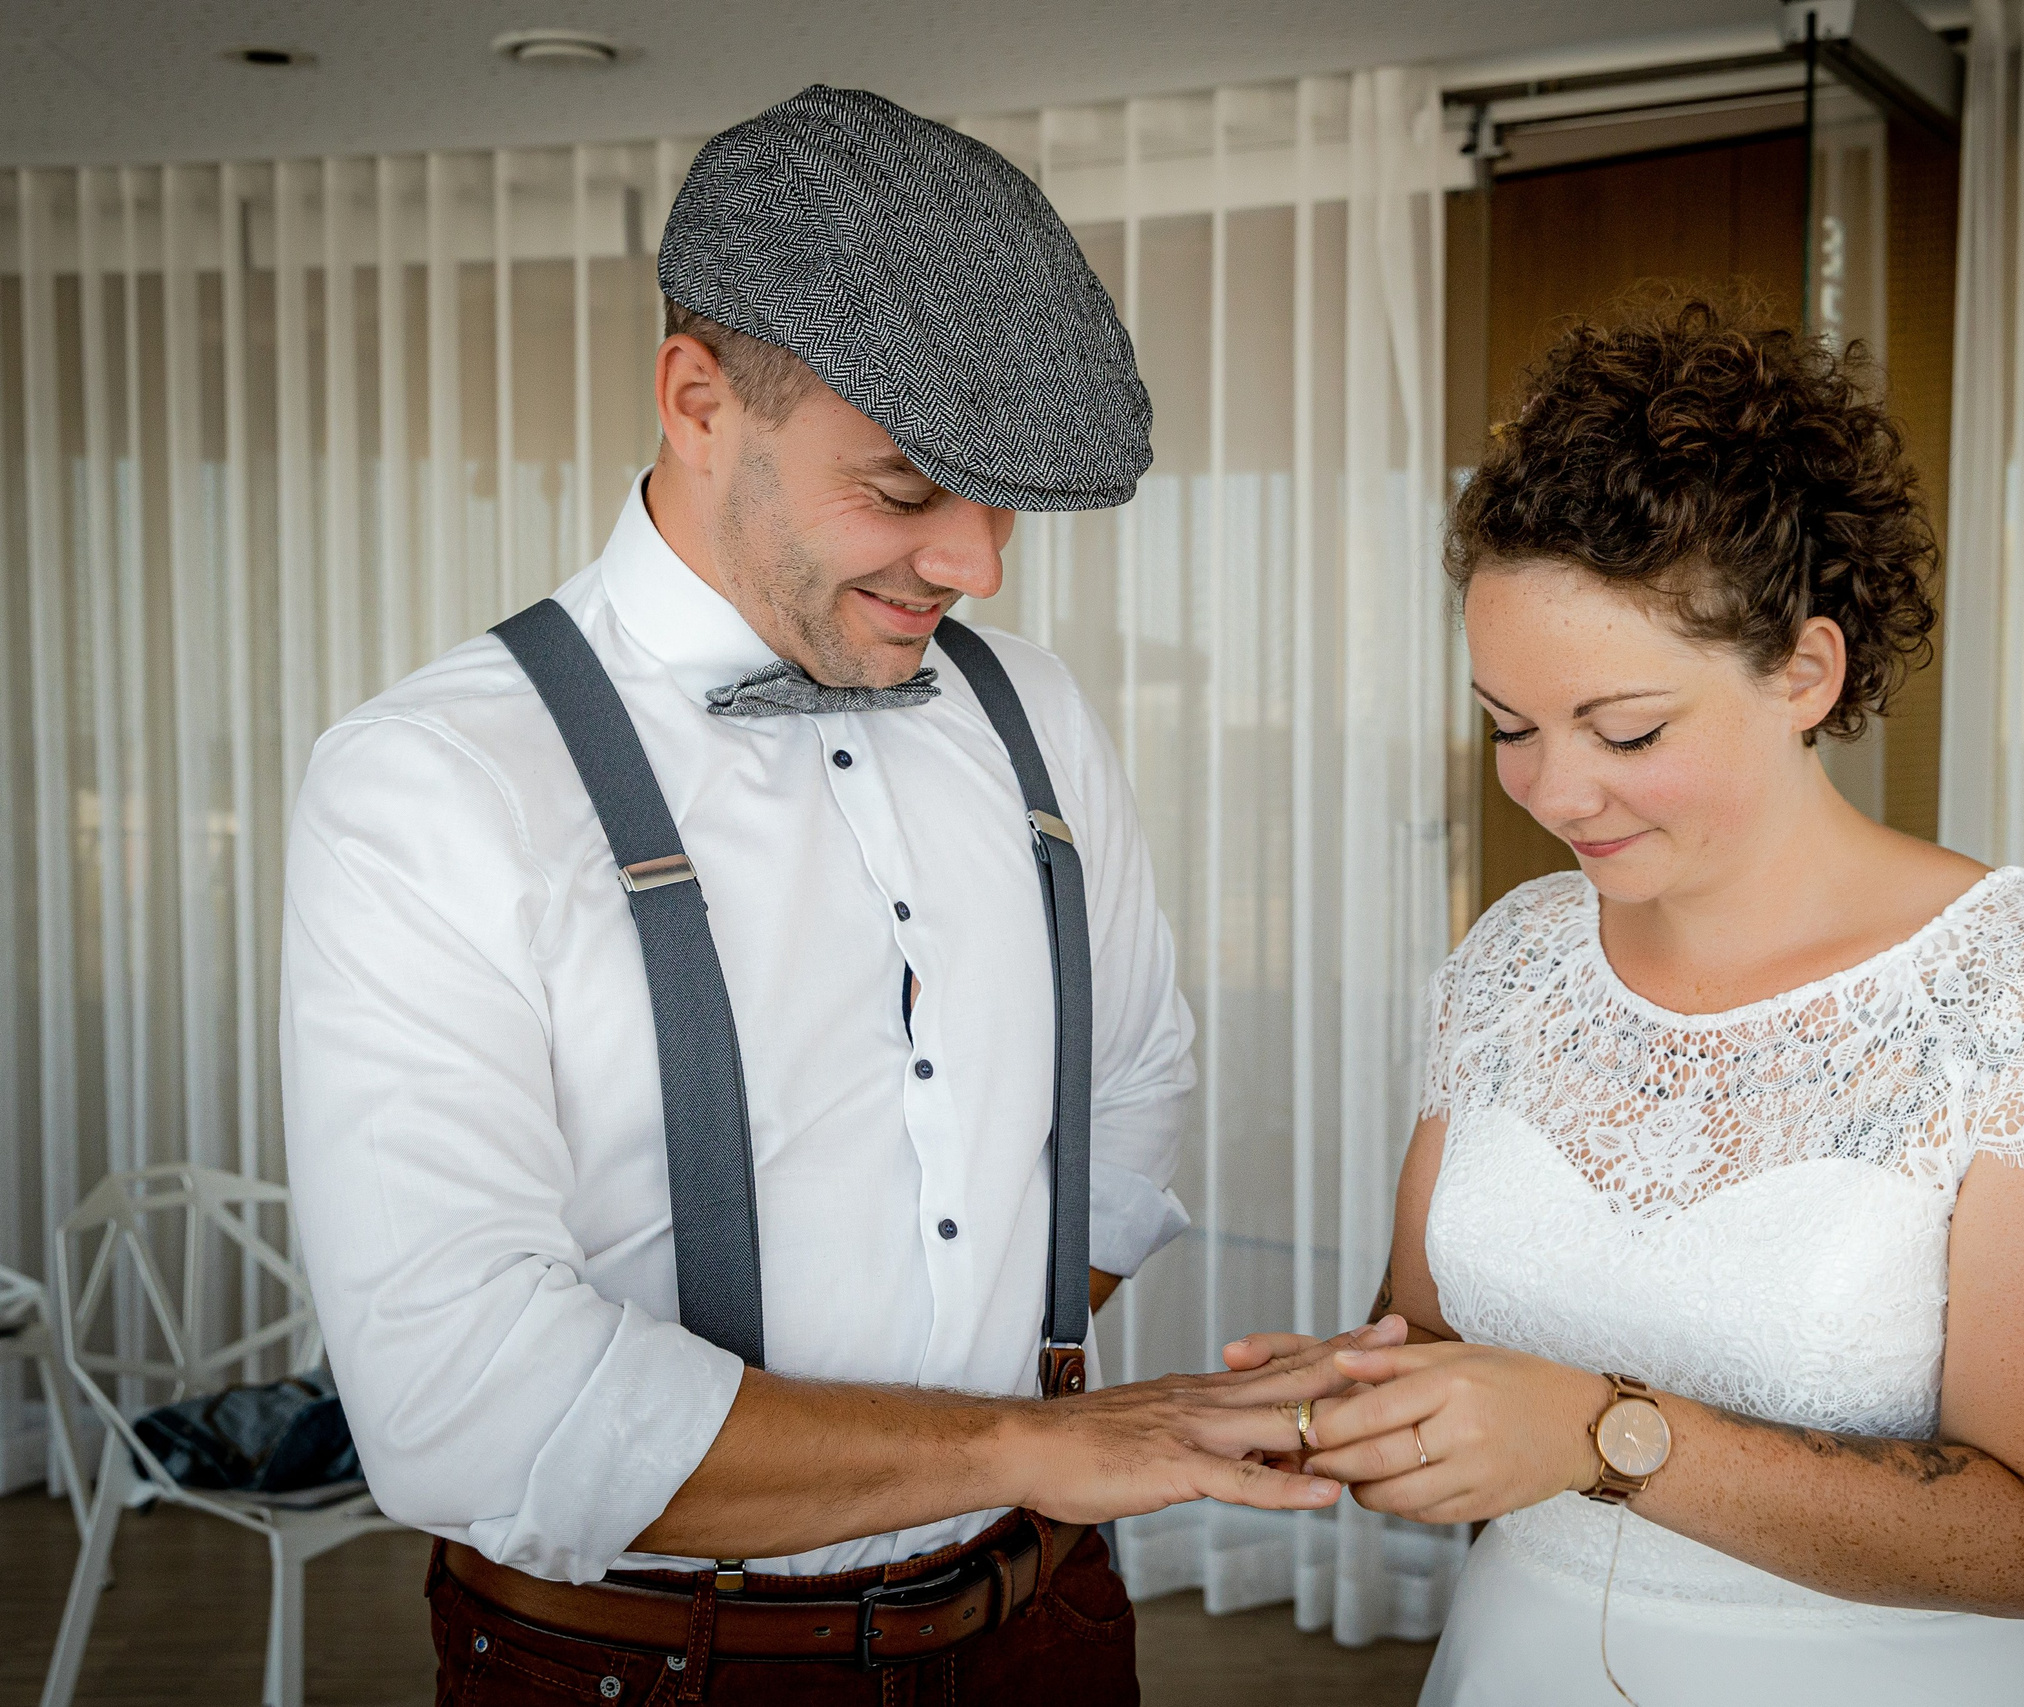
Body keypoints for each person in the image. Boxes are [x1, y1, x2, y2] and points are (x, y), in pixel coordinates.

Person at [281, 87, 1368, 1706]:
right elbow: (464, 1403)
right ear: (697, 398)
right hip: (647, 1666)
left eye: (1005, 502)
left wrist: (983, 1440)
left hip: (1046, 1631)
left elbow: (1129, 1092)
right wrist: (1019, 1441)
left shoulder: (1035, 712)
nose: (979, 566)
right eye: (912, 486)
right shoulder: (429, 783)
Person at [1228, 297, 2024, 1703]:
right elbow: (1428, 1332)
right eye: (1510, 726)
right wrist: (1348, 1407)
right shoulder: (1515, 961)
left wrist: (1601, 1432)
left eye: (1627, 729)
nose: (1555, 793)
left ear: (1806, 672)